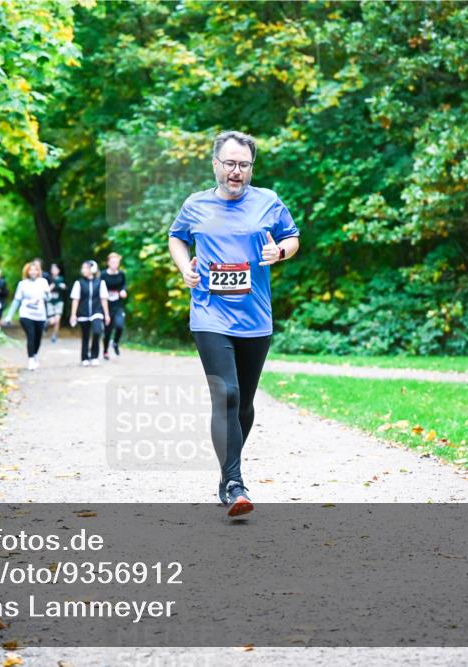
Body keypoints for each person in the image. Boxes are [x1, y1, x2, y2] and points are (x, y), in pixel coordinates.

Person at [168, 130, 300, 517]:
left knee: (243, 405)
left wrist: (279, 252)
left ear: (251, 167)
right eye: (230, 163)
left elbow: (292, 237)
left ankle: (228, 471)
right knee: (225, 394)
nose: (236, 171)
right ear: (215, 165)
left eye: (243, 164)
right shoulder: (195, 205)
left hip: (255, 316)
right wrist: (184, 269)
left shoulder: (268, 202)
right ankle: (234, 483)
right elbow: (177, 238)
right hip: (209, 313)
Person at [3, 261, 52, 371]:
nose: (33, 272)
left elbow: (48, 299)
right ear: (27, 272)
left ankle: (34, 355)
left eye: (35, 270)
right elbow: (17, 300)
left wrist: (47, 294)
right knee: (31, 335)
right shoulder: (23, 284)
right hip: (26, 314)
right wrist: (9, 316)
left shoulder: (43, 282)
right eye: (31, 270)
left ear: (39, 271)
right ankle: (30, 360)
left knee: (38, 338)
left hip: (40, 315)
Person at [69, 260, 110, 367]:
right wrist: (73, 314)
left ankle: (94, 356)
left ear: (93, 269)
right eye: (82, 268)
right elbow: (75, 299)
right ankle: (84, 357)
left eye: (86, 268)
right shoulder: (79, 283)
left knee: (97, 332)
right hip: (83, 313)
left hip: (97, 312)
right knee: (85, 336)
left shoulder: (100, 283)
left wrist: (106, 314)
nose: (83, 270)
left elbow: (104, 299)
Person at [102, 252, 128, 360]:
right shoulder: (103, 275)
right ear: (108, 263)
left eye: (116, 262)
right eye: (112, 262)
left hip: (118, 305)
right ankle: (105, 351)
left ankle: (115, 343)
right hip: (106, 306)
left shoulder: (121, 274)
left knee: (119, 325)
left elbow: (124, 285)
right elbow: (98, 287)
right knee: (107, 330)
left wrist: (123, 291)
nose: (114, 264)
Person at [47, 262, 67, 343]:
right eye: (53, 269)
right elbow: (47, 289)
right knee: (52, 321)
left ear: (59, 270)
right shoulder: (48, 278)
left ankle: (54, 335)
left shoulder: (61, 279)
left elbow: (64, 288)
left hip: (59, 301)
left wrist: (63, 287)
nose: (54, 270)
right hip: (50, 301)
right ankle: (46, 323)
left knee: (57, 319)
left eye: (56, 269)